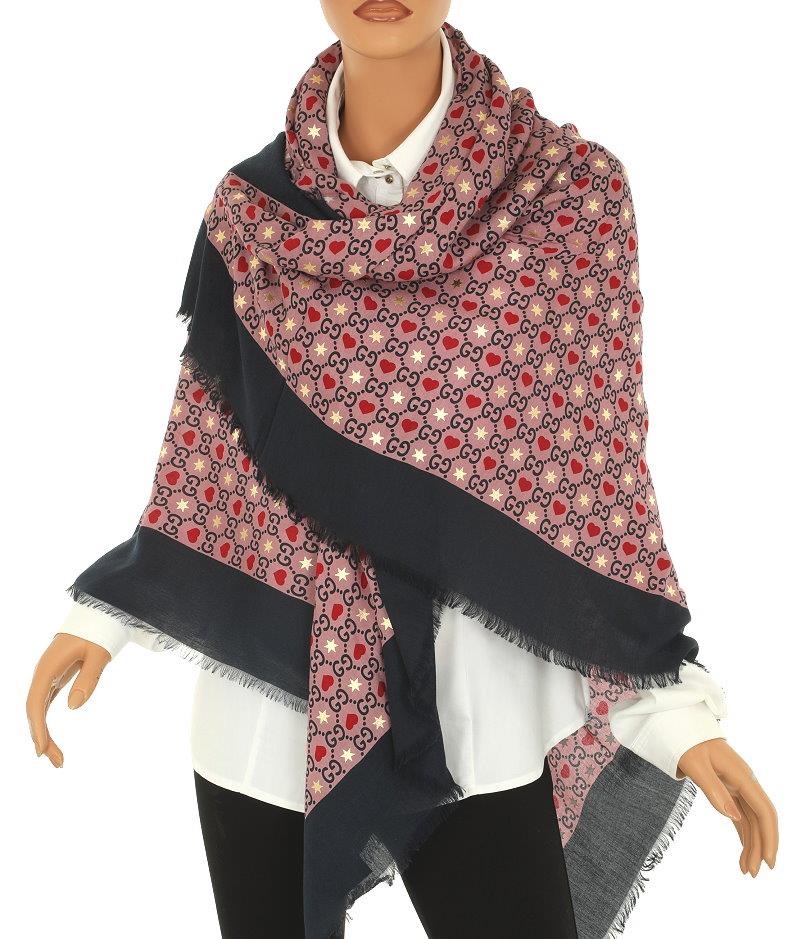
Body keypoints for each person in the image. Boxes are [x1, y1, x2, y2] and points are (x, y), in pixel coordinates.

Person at [27, 4, 778, 938]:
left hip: (477, 718)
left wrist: (672, 715)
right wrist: (106, 614)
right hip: (270, 713)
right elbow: (209, 450)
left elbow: (600, 482)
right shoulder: (252, 214)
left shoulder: (568, 198)